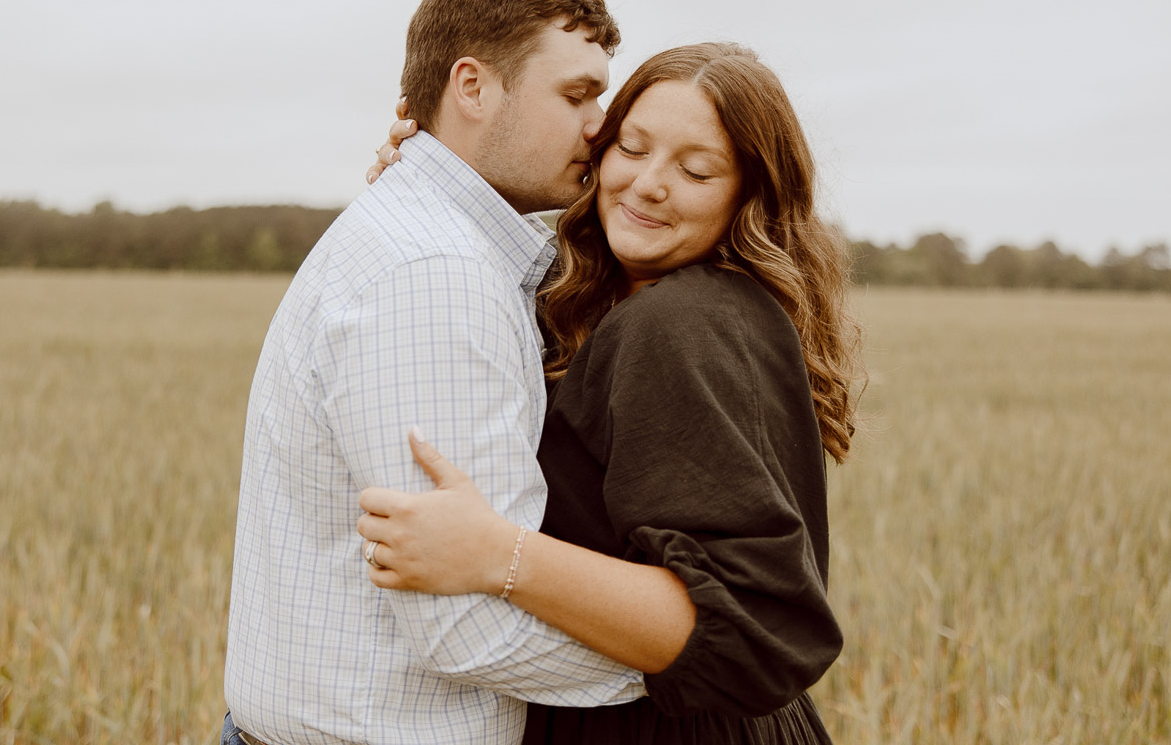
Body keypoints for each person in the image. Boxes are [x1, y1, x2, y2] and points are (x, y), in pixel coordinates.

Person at [356, 43, 863, 743]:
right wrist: (429, 180)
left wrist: (495, 553)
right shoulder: (604, 296)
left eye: (695, 169)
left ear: (748, 196)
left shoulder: (681, 322)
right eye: (632, 146)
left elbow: (757, 632)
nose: (650, 183)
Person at [222, 0, 649, 745]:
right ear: (473, 87)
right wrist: (691, 657)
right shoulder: (436, 274)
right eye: (577, 94)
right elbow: (468, 628)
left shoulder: (431, 239)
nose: (603, 125)